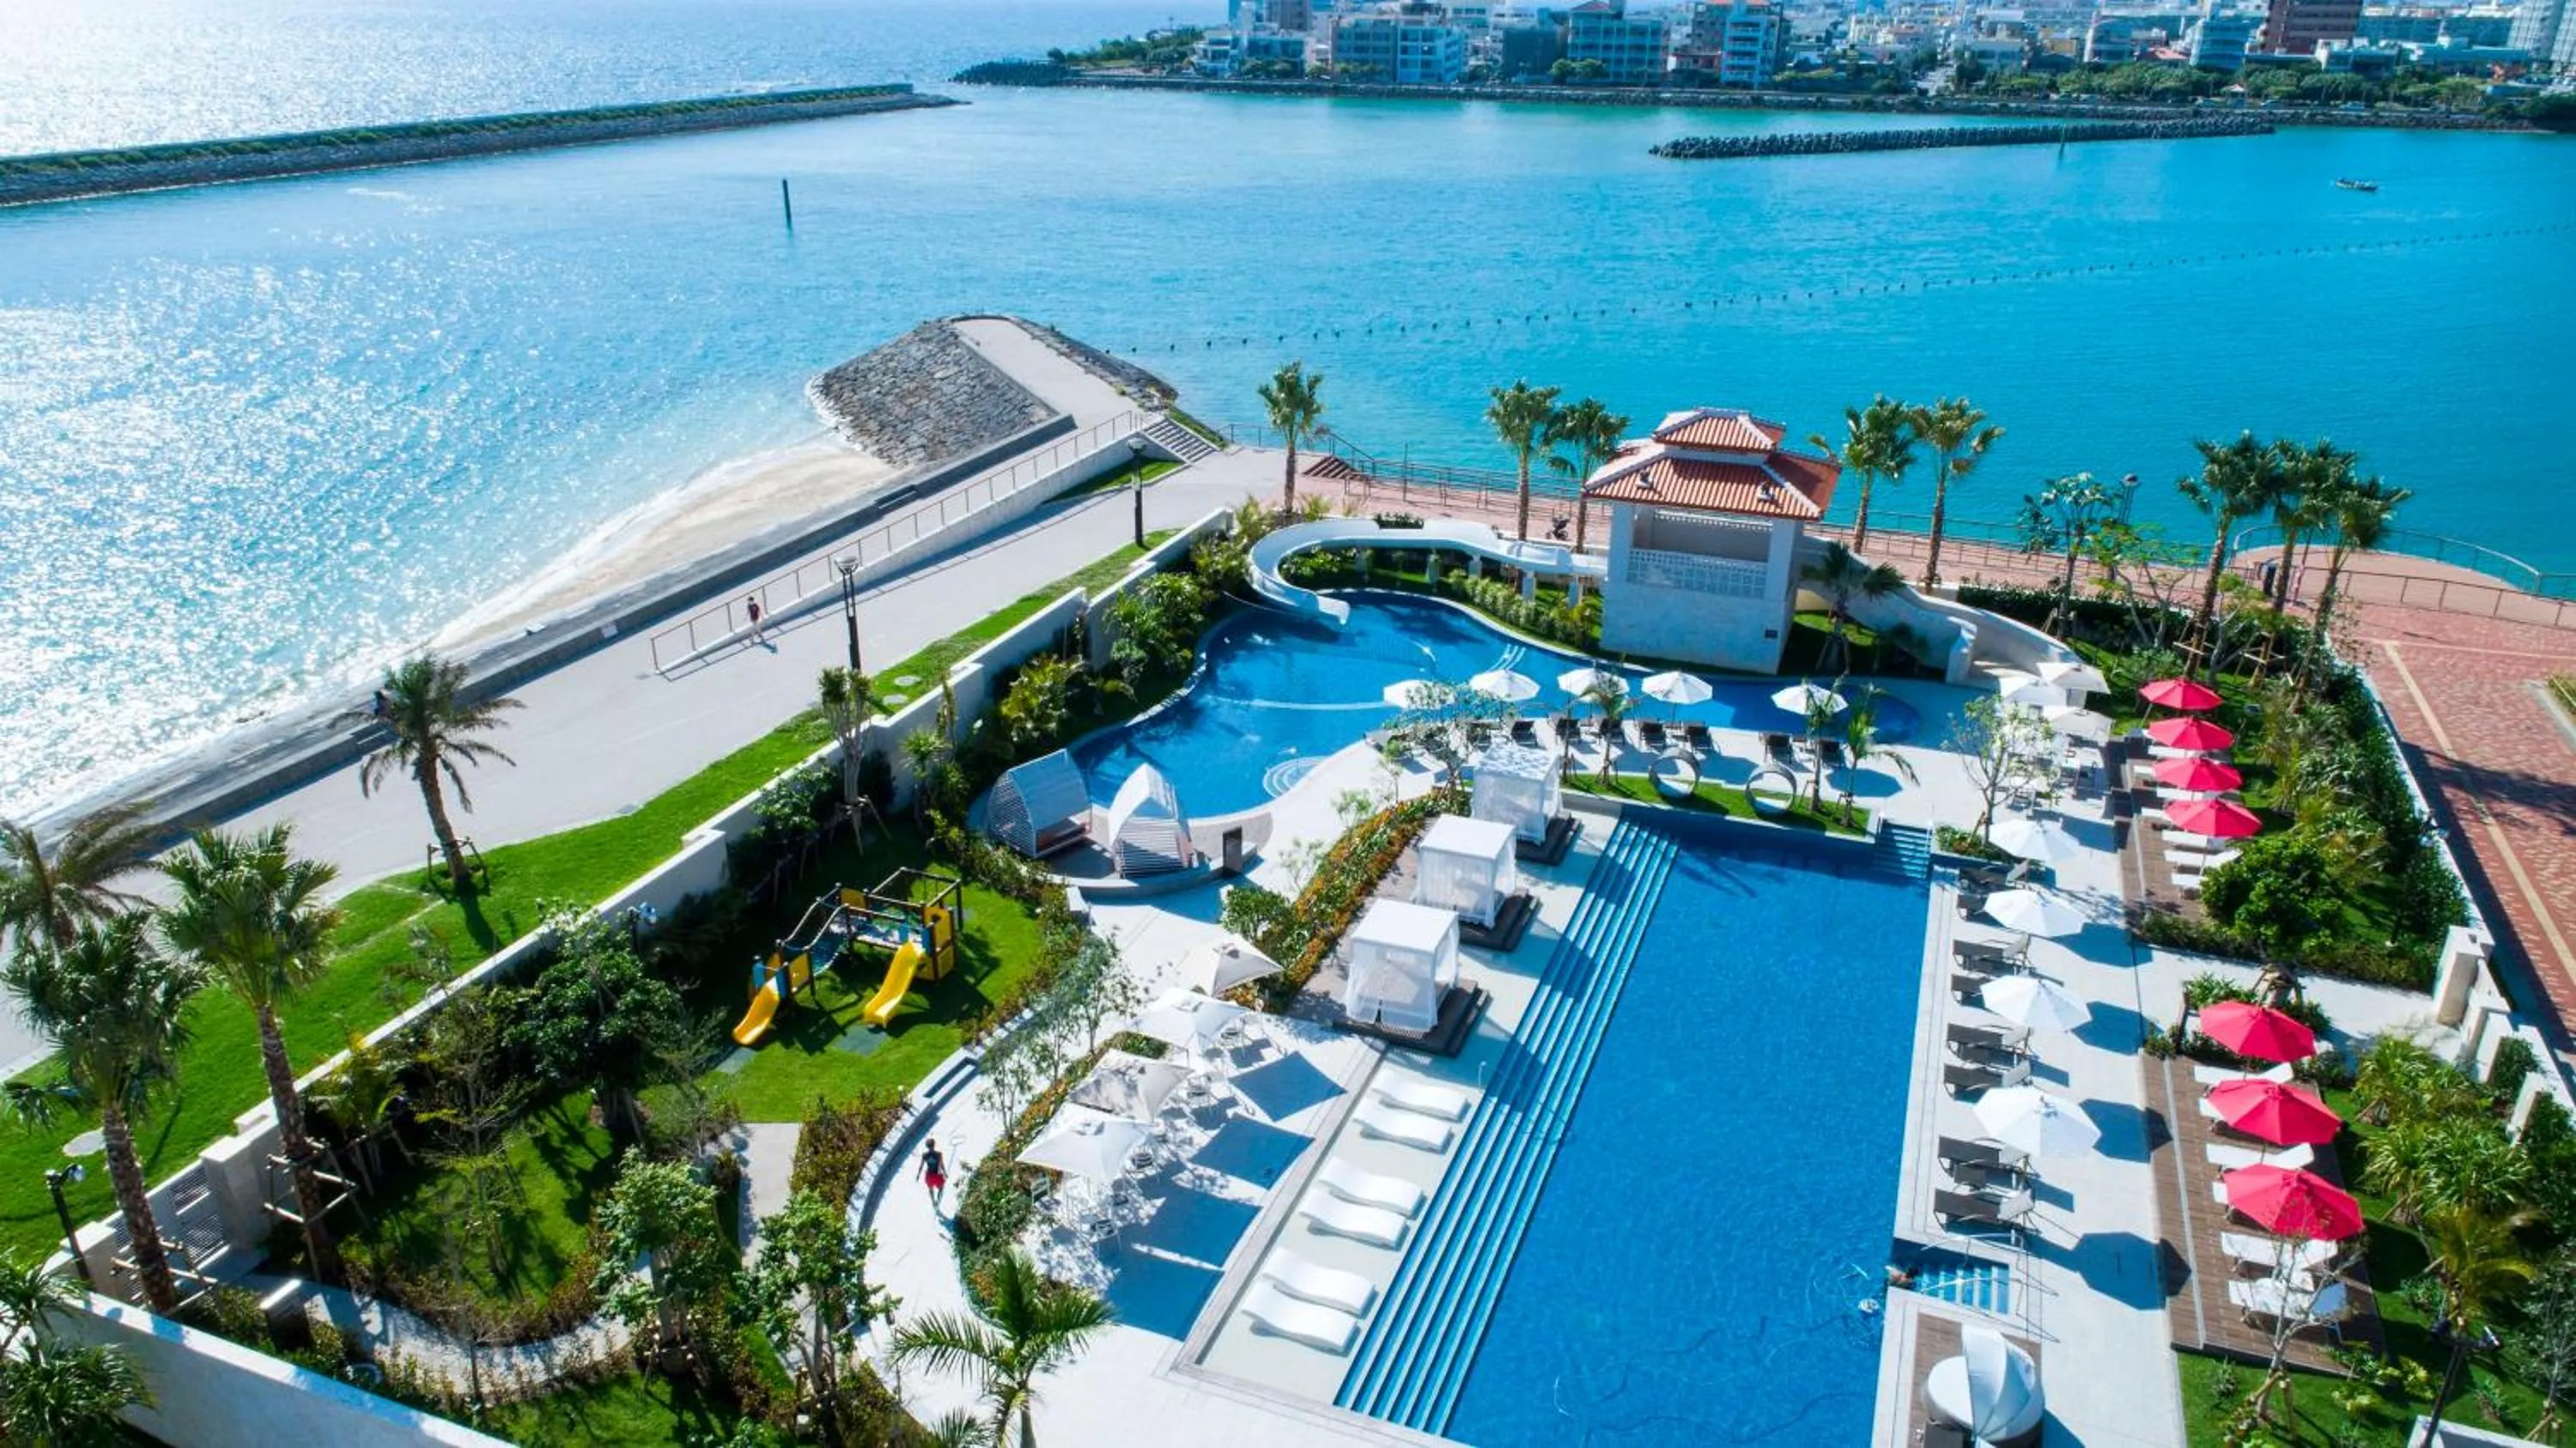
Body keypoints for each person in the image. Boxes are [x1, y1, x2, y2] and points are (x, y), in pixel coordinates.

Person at [920, 1138, 947, 1204]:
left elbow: (921, 1166)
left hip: (929, 1175)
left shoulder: (924, 1155)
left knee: (930, 1189)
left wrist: (918, 1175)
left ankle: (933, 1202)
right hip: (937, 1175)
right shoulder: (939, 1154)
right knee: (941, 1188)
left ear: (927, 1146)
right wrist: (945, 1173)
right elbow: (941, 1164)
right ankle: (938, 1199)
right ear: (934, 1145)